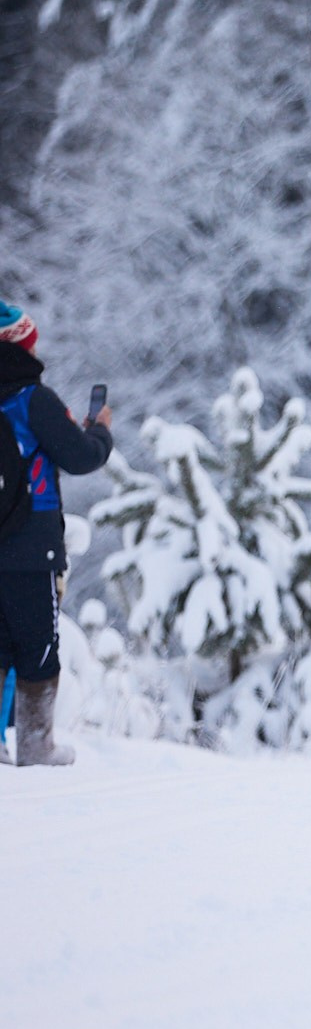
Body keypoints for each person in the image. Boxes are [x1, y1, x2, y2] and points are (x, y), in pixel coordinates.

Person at [0, 301, 112, 767]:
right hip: (31, 545)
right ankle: (35, 744)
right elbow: (82, 456)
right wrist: (100, 432)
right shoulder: (32, 399)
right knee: (38, 644)